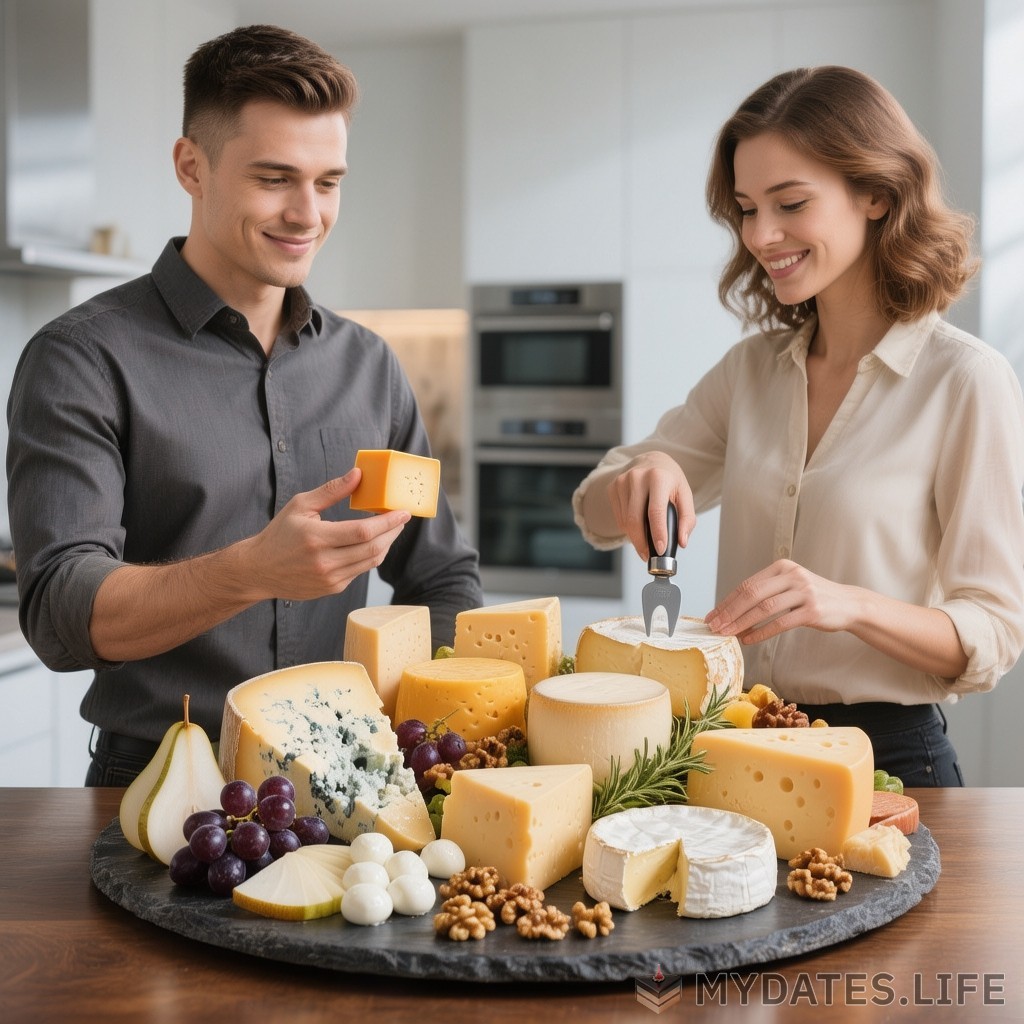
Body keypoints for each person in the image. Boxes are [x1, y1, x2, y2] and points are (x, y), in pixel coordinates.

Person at [5, 24, 482, 786]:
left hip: (352, 777)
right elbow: (63, 615)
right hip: (161, 785)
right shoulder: (83, 359)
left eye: (328, 182)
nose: (307, 214)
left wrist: (428, 727)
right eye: (273, 178)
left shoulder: (369, 366)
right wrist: (251, 570)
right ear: (191, 167)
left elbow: (443, 577)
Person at [573, 66, 1024, 786]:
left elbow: (993, 634)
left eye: (789, 203)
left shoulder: (965, 380)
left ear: (876, 193)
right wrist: (638, 477)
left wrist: (845, 604)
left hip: (889, 761)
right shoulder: (751, 371)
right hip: (735, 750)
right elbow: (594, 510)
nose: (760, 234)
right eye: (747, 208)